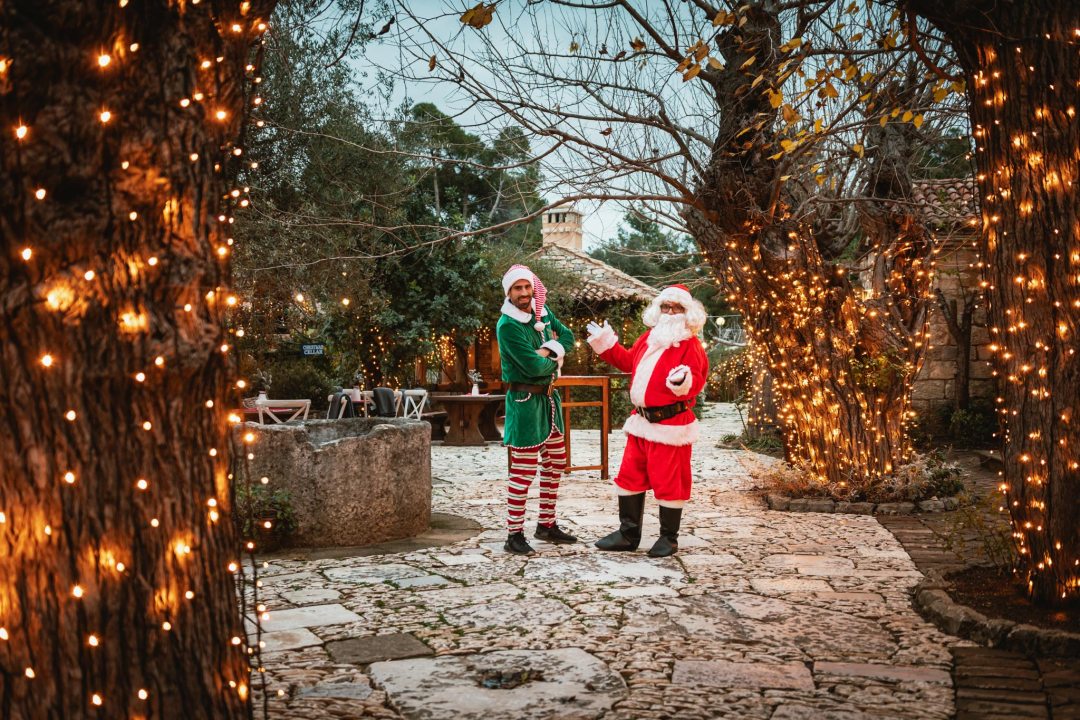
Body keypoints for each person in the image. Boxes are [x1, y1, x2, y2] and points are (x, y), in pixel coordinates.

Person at [585, 284, 709, 557]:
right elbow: (628, 361)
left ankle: (669, 538)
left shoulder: (691, 345)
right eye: (666, 306)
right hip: (640, 423)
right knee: (630, 477)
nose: (670, 312)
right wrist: (607, 344)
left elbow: (697, 378)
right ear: (658, 309)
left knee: (669, 481)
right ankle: (628, 534)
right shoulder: (647, 338)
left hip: (671, 426)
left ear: (688, 313)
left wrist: (683, 382)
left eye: (677, 308)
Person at [497, 264, 579, 555]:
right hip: (525, 403)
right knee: (523, 471)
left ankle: (546, 525)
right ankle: (514, 534)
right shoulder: (507, 326)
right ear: (509, 291)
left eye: (527, 287)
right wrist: (555, 359)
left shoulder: (544, 312)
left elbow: (568, 338)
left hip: (549, 401)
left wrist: (548, 350)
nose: (523, 293)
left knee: (557, 461)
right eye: (517, 288)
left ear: (533, 288)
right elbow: (531, 368)